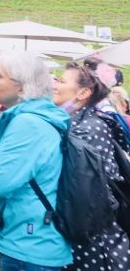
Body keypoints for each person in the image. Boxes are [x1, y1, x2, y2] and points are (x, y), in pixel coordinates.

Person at [0, 51, 72, 270]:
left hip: (29, 244)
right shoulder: (22, 119)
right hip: (25, 237)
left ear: (21, 85)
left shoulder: (28, 125)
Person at [52, 63, 130, 270]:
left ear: (84, 92)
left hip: (94, 233)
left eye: (61, 81)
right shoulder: (72, 119)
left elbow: (93, 186)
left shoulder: (90, 126)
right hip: (80, 226)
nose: (55, 85)